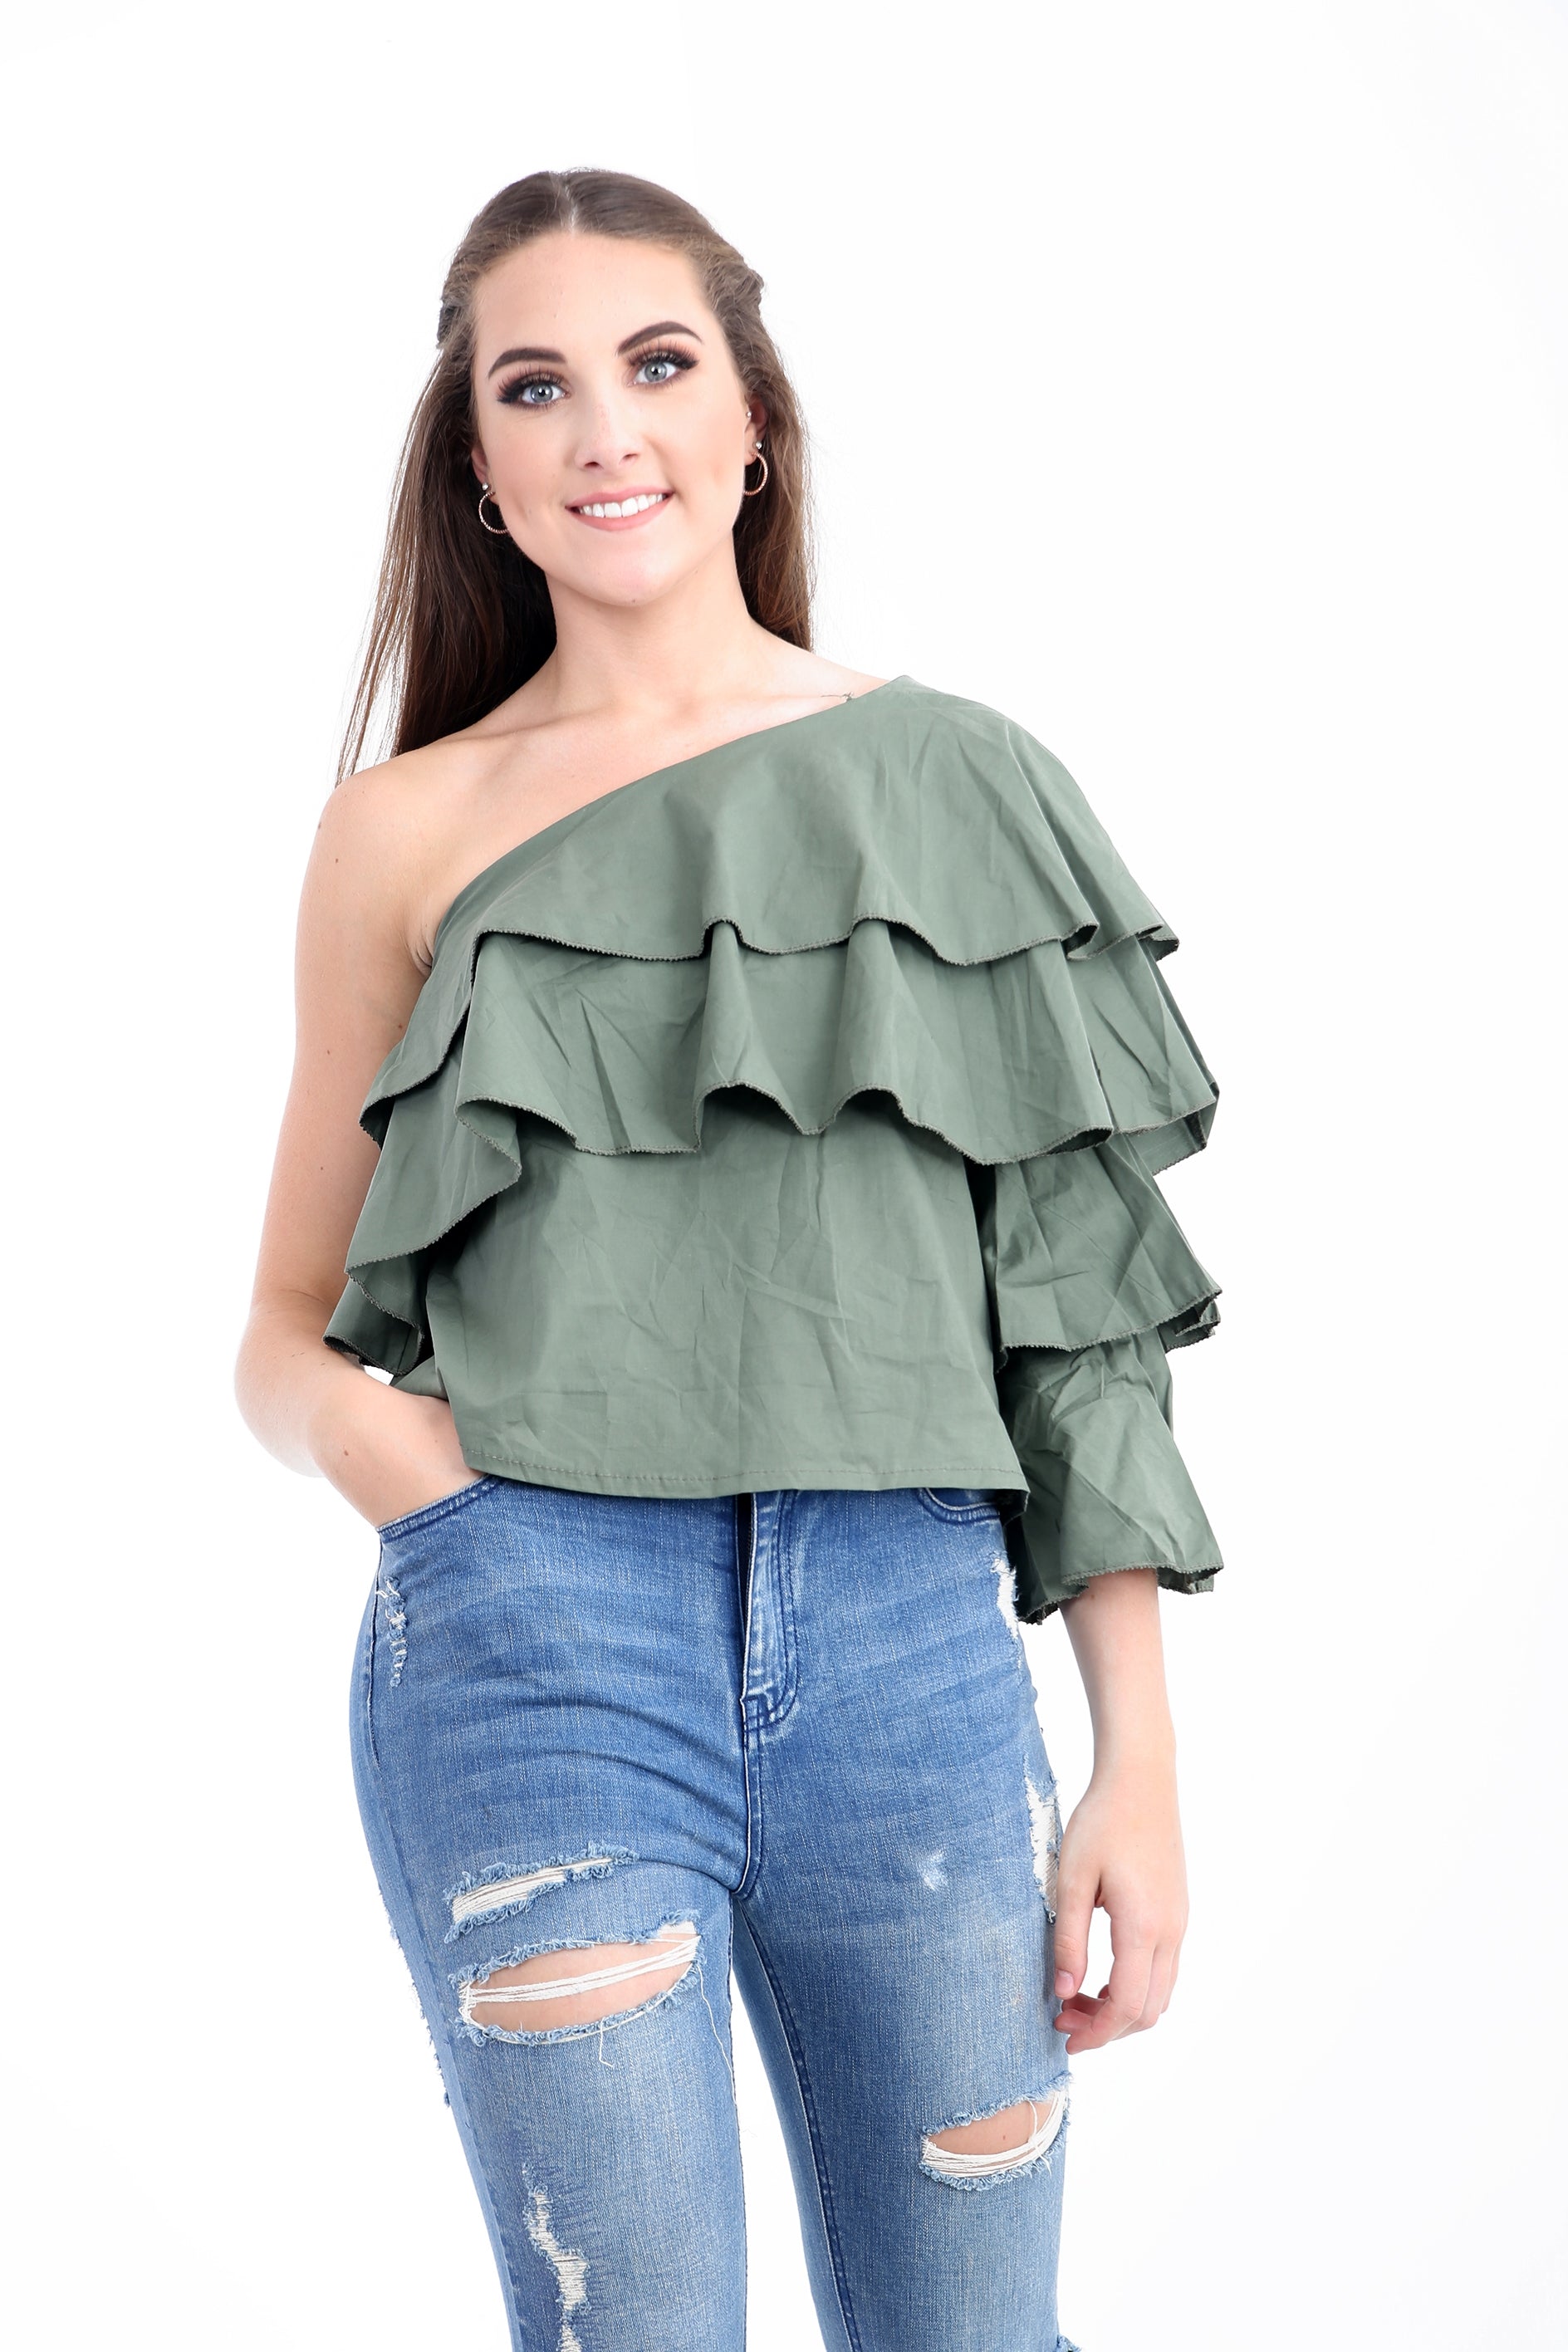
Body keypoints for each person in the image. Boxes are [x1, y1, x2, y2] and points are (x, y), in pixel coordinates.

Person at [234, 166, 1225, 2352]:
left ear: (751, 418)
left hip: (913, 1651)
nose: (607, 430)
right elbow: (283, 1331)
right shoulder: (401, 832)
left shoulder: (963, 781)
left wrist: (1137, 1759)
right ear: (479, 466)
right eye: (536, 388)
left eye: (658, 364)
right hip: (537, 1638)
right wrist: (429, 1492)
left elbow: (1081, 1321)